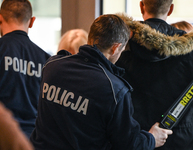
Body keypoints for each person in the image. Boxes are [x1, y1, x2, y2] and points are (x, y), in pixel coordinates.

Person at [30, 14, 172, 150]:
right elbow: (128, 144)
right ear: (115, 47)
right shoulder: (115, 90)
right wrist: (152, 138)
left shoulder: (52, 66)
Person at [116, 0, 193, 150]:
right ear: (170, 9)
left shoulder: (119, 48)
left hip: (134, 141)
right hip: (183, 142)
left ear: (141, 6)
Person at [0, 0, 50, 138]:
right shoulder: (47, 60)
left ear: (0, 18)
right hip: (33, 138)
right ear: (32, 21)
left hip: (4, 135)